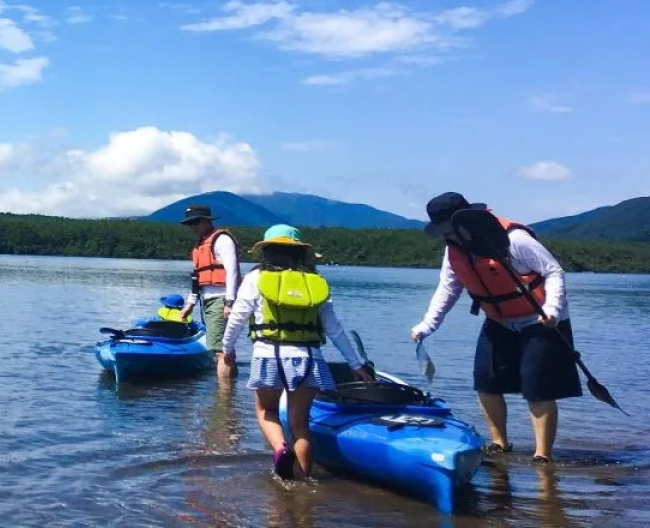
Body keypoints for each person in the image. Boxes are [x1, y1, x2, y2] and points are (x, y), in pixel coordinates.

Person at [411, 192, 577, 463]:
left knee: (537, 387)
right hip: (498, 320)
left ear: (467, 221)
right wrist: (427, 324)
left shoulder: (514, 240)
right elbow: (448, 288)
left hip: (541, 320)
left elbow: (554, 271)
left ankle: (542, 456)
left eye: (449, 229)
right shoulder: (454, 249)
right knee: (486, 381)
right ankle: (499, 443)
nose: (446, 235)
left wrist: (552, 310)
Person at [223, 224, 374, 480]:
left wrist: (226, 348)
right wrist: (356, 364)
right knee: (301, 425)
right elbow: (335, 329)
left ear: (266, 252)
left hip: (268, 356)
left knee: (266, 412)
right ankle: (306, 480)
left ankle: (282, 450)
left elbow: (237, 318)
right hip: (308, 358)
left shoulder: (255, 278)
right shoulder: (315, 282)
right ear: (301, 254)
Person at [178, 204, 240, 379]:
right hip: (208, 299)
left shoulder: (222, 240)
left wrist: (229, 302)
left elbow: (232, 271)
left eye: (196, 222)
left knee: (220, 351)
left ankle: (223, 399)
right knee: (225, 349)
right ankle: (229, 397)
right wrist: (191, 303)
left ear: (207, 221)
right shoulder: (200, 244)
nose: (193, 226)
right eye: (190, 223)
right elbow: (197, 278)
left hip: (221, 299)